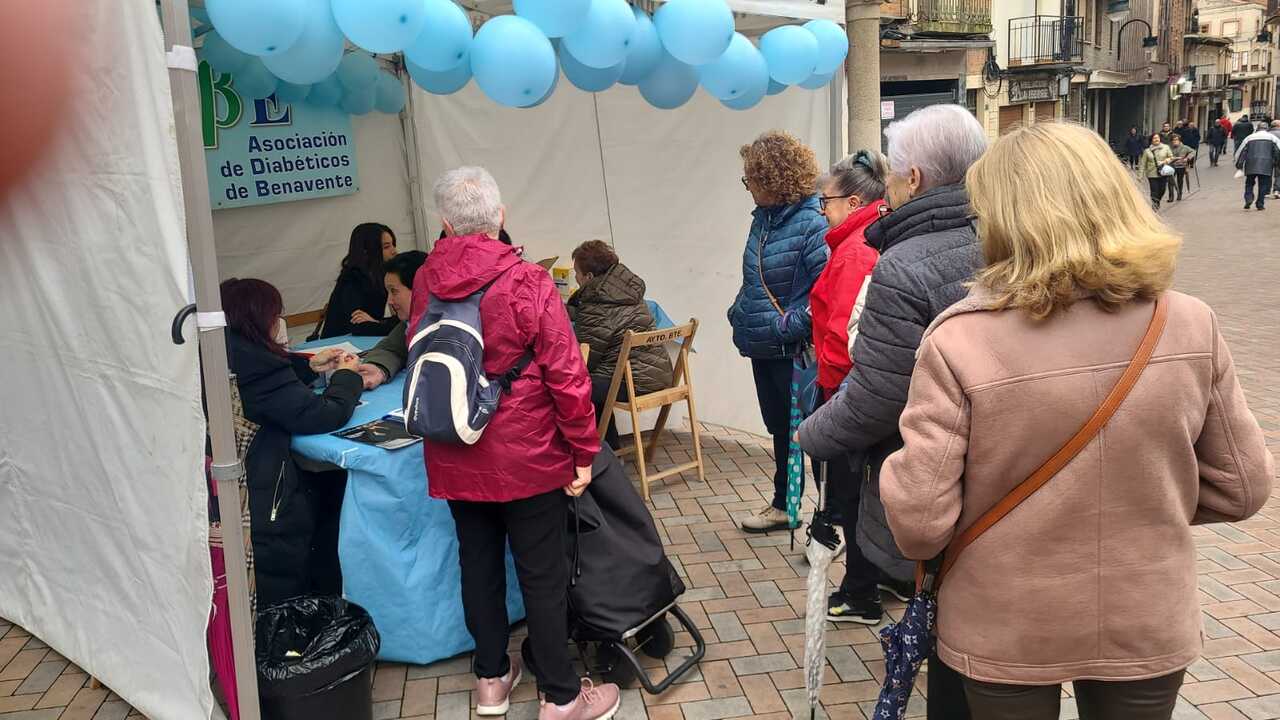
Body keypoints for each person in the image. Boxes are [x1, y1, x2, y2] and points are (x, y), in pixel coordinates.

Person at [879, 121, 1274, 720]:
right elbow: (1243, 488)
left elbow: (919, 524)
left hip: (1004, 617)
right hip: (1145, 609)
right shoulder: (1190, 323)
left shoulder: (960, 339)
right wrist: (1146, 498)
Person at [409, 167, 618, 720]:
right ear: (501, 217)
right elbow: (567, 376)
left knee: (476, 564)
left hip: (455, 447)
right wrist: (584, 452)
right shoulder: (528, 280)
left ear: (446, 224)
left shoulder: (427, 279)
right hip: (528, 454)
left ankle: (491, 681)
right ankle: (562, 695)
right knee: (541, 574)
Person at [797, 103, 988, 599]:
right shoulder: (1000, 236)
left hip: (928, 461)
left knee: (941, 610)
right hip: (994, 465)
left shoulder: (902, 265)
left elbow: (881, 392)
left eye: (897, 176)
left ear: (916, 178)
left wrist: (811, 434)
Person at [221, 277, 363, 608]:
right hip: (266, 498)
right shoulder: (258, 368)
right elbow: (322, 415)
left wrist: (309, 366)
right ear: (258, 319)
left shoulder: (228, 354)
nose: (280, 323)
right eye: (276, 315)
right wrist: (347, 377)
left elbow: (276, 384)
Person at [728, 130, 829, 534]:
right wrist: (739, 312)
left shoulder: (811, 224)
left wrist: (787, 326)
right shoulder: (763, 222)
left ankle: (828, 519)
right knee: (781, 430)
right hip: (764, 345)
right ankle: (785, 506)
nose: (747, 186)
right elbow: (754, 277)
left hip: (792, 349)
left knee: (813, 432)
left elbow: (826, 292)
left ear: (771, 178)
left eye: (750, 178)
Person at [804, 149, 887, 623]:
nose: (823, 210)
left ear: (853, 202)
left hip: (848, 393)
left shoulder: (856, 250)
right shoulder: (859, 241)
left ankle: (861, 592)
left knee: (854, 495)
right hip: (855, 389)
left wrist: (831, 399)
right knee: (862, 493)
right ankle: (872, 580)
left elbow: (843, 337)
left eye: (826, 202)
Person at [566, 240, 673, 450]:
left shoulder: (597, 305)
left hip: (634, 382)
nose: (575, 277)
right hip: (659, 375)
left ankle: (599, 456)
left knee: (577, 387)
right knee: (597, 384)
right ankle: (611, 449)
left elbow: (585, 358)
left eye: (577, 272)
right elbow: (606, 321)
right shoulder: (625, 292)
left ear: (588, 277)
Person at [355, 250, 428, 390]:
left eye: (394, 291)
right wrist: (378, 368)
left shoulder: (453, 326)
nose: (389, 301)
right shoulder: (410, 324)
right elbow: (392, 349)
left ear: (420, 288)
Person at [315, 223, 399, 339]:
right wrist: (380, 323)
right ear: (367, 250)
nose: (394, 251)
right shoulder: (352, 280)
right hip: (341, 345)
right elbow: (358, 326)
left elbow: (402, 318)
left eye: (393, 245)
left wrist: (377, 322)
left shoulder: (384, 275)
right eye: (386, 247)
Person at [1235, 124, 1280, 210]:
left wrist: (1239, 165)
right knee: (1263, 185)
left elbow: (1241, 152)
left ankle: (1248, 198)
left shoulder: (1249, 138)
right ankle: (1260, 204)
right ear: (1267, 129)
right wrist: (1277, 163)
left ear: (1257, 129)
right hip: (1266, 164)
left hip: (1251, 164)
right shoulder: (1272, 138)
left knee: (1249, 183)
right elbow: (1277, 151)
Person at [1138, 133, 1174, 210]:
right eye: (1154, 138)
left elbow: (1171, 157)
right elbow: (1142, 164)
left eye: (1157, 138)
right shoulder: (1147, 151)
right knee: (1154, 191)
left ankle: (1158, 201)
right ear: (1151, 140)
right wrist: (1140, 176)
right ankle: (1155, 205)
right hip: (1152, 174)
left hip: (1163, 172)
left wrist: (1165, 161)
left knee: (1162, 190)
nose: (1156, 139)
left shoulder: (1166, 147)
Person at [1167, 135, 1195, 202]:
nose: (1175, 141)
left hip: (1181, 166)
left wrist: (1188, 158)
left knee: (1179, 181)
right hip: (1171, 166)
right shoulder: (1169, 148)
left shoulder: (1185, 147)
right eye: (1173, 140)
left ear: (1179, 140)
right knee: (1170, 182)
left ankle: (1179, 194)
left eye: (1176, 140)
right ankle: (1171, 197)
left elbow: (1193, 151)